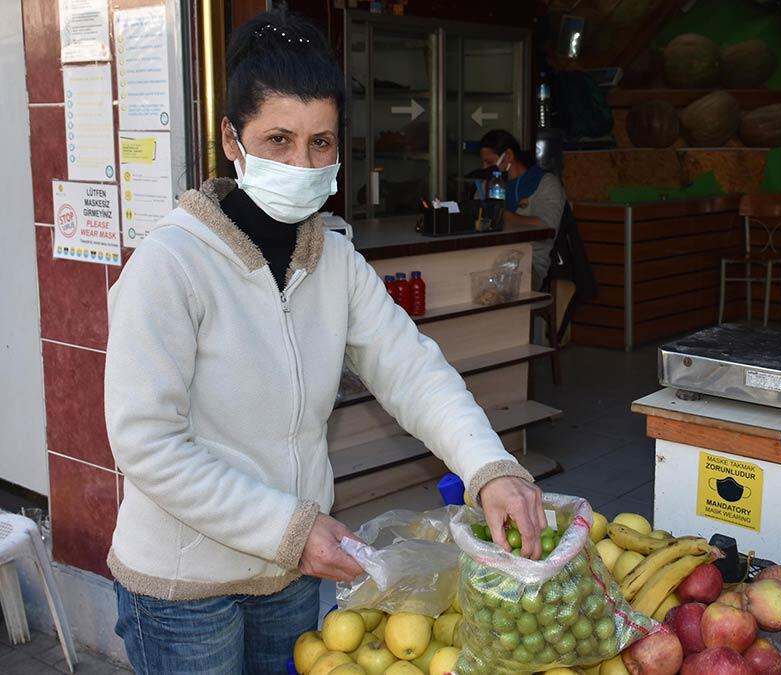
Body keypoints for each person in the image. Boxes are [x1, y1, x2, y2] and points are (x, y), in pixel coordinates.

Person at [104, 10, 544, 673]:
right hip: (183, 585)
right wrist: (289, 528)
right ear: (232, 138)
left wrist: (489, 467)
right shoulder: (171, 265)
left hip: (290, 574)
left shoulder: (333, 260)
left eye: (321, 143)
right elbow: (147, 442)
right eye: (278, 139)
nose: (302, 162)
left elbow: (410, 370)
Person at [478, 130, 566, 290]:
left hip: (528, 264)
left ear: (509, 156)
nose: (485, 168)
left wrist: (504, 216)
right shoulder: (486, 185)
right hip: (488, 260)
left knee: (496, 291)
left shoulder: (545, 183)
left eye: (489, 163)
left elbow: (548, 224)